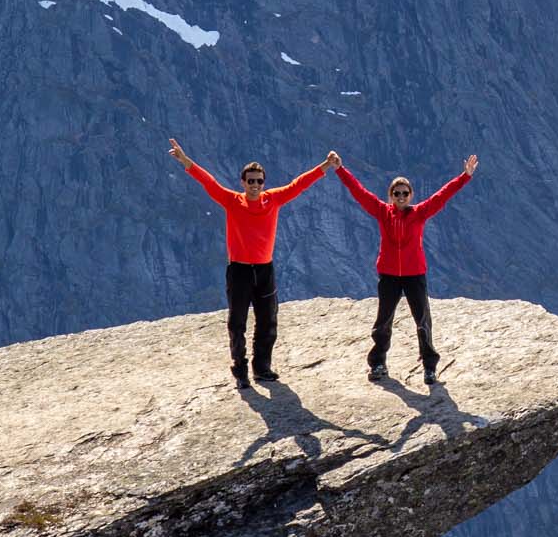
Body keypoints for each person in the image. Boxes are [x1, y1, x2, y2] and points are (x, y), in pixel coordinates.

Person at [168, 139, 330, 385]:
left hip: (265, 270)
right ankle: (240, 367)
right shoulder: (232, 201)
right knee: (237, 322)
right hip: (239, 271)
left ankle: (262, 368)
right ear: (243, 182)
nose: (255, 185)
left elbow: (299, 184)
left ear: (264, 183)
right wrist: (185, 161)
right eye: (251, 181)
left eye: (259, 181)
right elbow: (208, 183)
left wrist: (325, 166)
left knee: (268, 320)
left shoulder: (273, 199)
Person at [331, 147, 476, 381]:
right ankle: (378, 364)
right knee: (383, 321)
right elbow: (358, 191)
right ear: (391, 195)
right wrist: (340, 169)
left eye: (404, 193)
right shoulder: (382, 212)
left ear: (410, 195)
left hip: (414, 274)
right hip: (389, 275)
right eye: (397, 193)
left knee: (422, 321)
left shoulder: (419, 213)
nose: (400, 197)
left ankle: (430, 366)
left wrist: (465, 176)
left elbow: (443, 195)